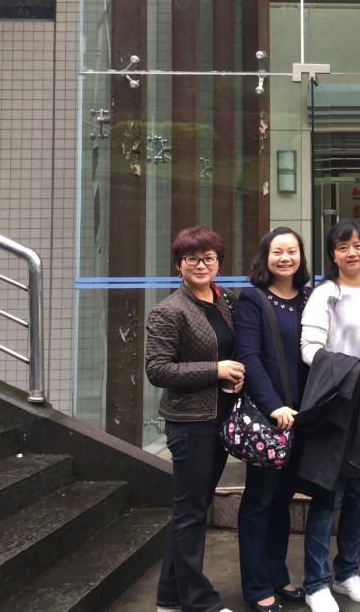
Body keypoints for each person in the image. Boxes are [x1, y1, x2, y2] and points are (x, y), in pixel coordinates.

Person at [146, 226, 243, 612]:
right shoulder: (169, 311)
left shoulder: (225, 301)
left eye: (208, 258)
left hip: (219, 418)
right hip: (189, 424)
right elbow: (158, 370)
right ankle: (198, 600)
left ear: (219, 263)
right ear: (179, 265)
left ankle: (169, 597)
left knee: (194, 507)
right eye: (192, 258)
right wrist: (216, 370)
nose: (201, 265)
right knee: (190, 511)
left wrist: (235, 375)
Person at [299, 219, 360, 612]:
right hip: (339, 411)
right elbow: (309, 348)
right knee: (328, 496)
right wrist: (354, 372)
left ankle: (347, 572)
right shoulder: (326, 294)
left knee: (359, 494)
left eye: (358, 245)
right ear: (332, 255)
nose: (351, 252)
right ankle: (315, 582)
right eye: (342, 247)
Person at [234, 227, 312, 612]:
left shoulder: (310, 298)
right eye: (277, 251)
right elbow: (248, 356)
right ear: (266, 256)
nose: (285, 258)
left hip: (303, 417)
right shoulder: (253, 299)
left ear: (301, 257)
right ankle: (256, 585)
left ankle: (277, 575)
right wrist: (273, 406)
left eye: (292, 251)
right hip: (272, 419)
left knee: (282, 500)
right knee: (259, 501)